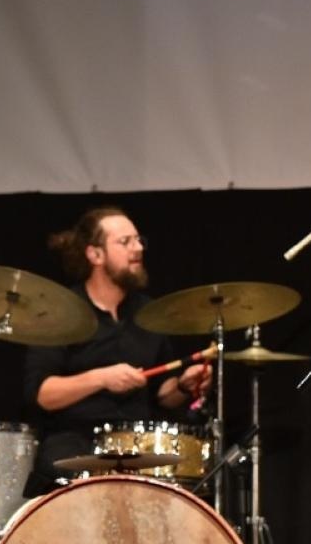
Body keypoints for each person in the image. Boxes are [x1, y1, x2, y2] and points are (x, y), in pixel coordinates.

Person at [22, 208, 213, 497]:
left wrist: (185, 386)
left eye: (138, 240)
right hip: (75, 442)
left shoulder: (148, 314)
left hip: (136, 446)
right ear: (95, 255)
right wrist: (101, 378)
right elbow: (43, 394)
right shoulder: (61, 312)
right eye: (125, 242)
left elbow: (163, 395)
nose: (138, 249)